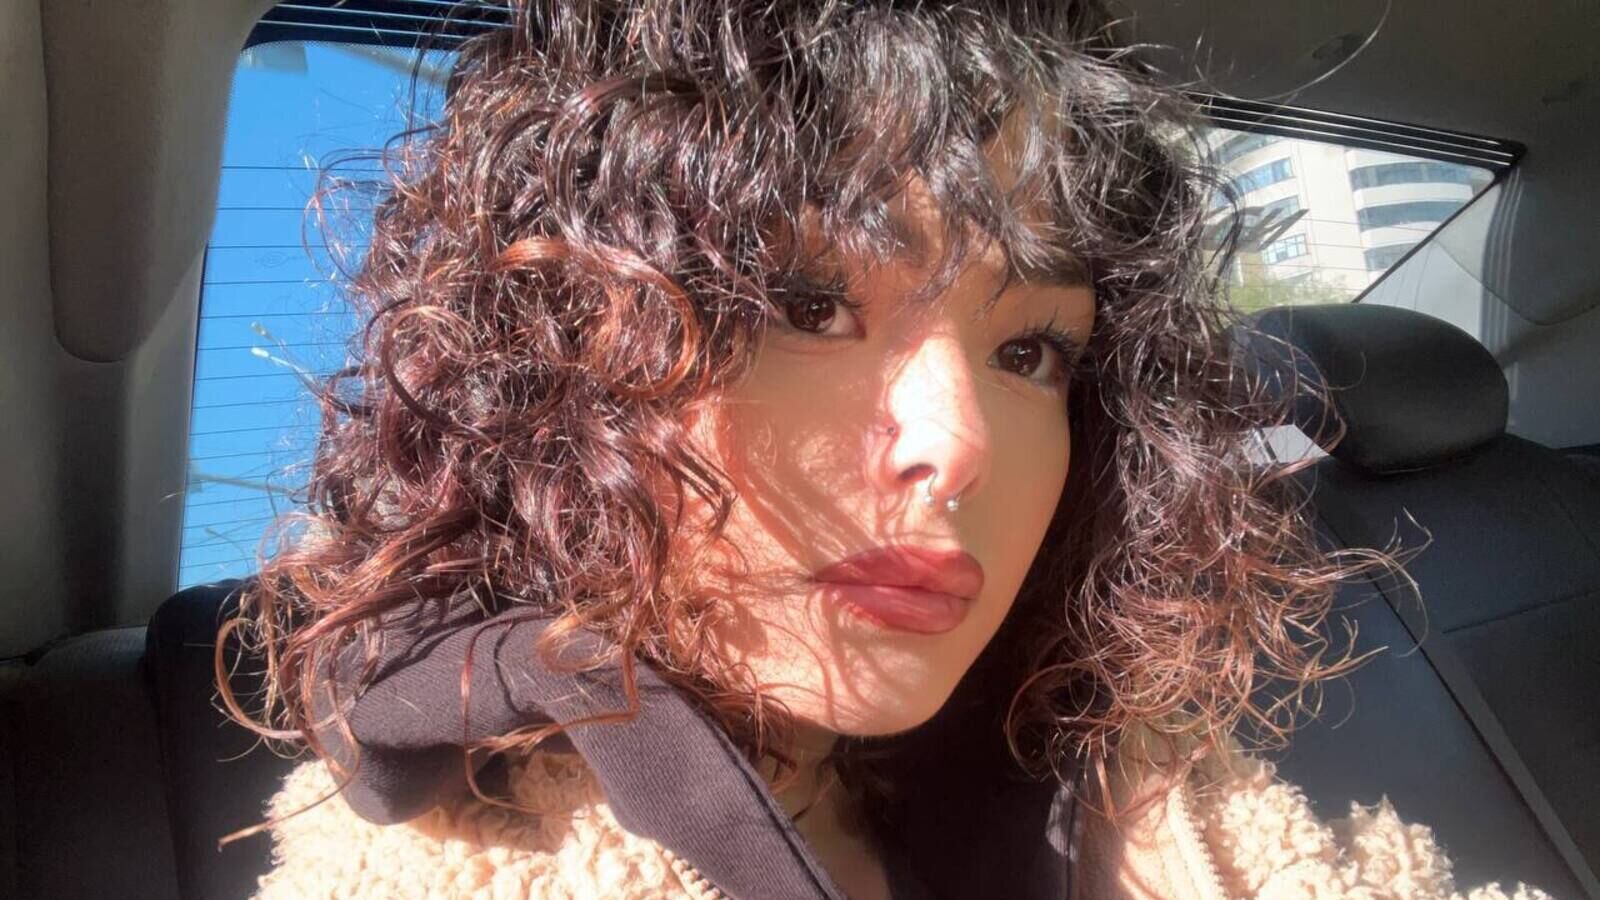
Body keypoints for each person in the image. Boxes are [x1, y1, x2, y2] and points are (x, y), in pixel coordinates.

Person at [220, 1, 1551, 897]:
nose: (959, 445)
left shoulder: (1149, 784)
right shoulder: (427, 873)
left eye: (1032, 352)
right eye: (806, 306)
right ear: (555, 354)